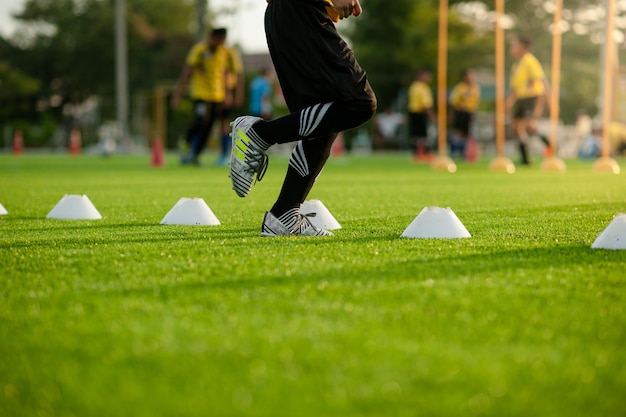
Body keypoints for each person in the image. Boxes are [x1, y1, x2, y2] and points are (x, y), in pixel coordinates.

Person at [228, 0, 376, 237]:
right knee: (359, 102)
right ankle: (260, 134)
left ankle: (284, 214)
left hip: (290, 14)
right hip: (302, 11)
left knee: (324, 115)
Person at [171, 28, 242, 166]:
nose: (219, 43)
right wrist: (177, 95)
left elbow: (233, 74)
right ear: (211, 37)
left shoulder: (226, 53)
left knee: (209, 125)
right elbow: (187, 72)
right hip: (200, 93)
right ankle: (185, 141)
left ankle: (195, 154)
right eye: (217, 39)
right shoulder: (199, 50)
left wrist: (231, 95)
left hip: (217, 95)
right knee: (202, 120)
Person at [505, 34, 550, 165]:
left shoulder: (530, 61)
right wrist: (508, 103)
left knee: (529, 125)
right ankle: (525, 159)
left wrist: (546, 100)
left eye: (515, 45)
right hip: (522, 99)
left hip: (532, 97)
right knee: (516, 128)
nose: (512, 47)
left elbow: (541, 80)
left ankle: (550, 145)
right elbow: (515, 89)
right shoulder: (516, 66)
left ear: (522, 47)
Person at [217, 46, 245, 165]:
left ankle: (225, 154)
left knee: (224, 124)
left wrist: (231, 95)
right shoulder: (223, 55)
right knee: (221, 124)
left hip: (222, 96)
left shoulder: (228, 55)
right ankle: (225, 154)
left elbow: (234, 76)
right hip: (216, 95)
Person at [448, 68, 480, 158]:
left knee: (468, 133)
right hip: (460, 112)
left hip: (470, 113)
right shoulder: (460, 88)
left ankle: (465, 152)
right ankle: (455, 151)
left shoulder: (475, 88)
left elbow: (476, 102)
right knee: (458, 132)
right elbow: (452, 102)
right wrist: (451, 115)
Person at [407, 69, 435, 161]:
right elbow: (425, 105)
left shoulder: (413, 86)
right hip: (420, 113)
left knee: (416, 135)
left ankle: (417, 153)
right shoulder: (421, 87)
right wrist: (433, 116)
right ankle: (422, 154)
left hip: (414, 113)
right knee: (422, 135)